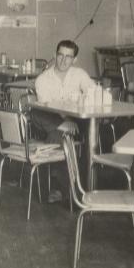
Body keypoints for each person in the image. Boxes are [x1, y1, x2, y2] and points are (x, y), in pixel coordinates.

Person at [31, 39, 97, 203]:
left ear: (74, 60)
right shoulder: (43, 79)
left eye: (68, 57)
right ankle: (73, 192)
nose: (63, 60)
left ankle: (59, 188)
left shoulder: (79, 74)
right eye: (60, 55)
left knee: (59, 135)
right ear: (55, 55)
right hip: (52, 119)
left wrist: (71, 117)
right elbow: (48, 108)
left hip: (76, 121)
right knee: (38, 114)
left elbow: (94, 93)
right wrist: (64, 122)